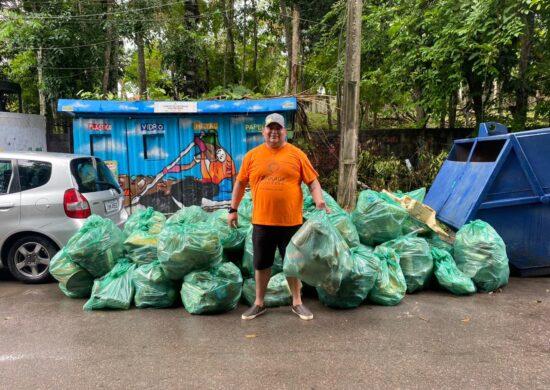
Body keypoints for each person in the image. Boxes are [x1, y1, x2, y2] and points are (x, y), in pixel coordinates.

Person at [227, 113, 330, 321]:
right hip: (262, 222)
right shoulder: (252, 156)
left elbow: (312, 182)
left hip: (291, 222)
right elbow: (239, 183)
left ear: (285, 131)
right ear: (263, 131)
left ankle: (297, 302)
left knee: (292, 263)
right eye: (270, 128)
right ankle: (259, 303)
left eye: (278, 128)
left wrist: (318, 199)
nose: (274, 132)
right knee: (261, 264)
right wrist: (233, 209)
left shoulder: (297, 154)